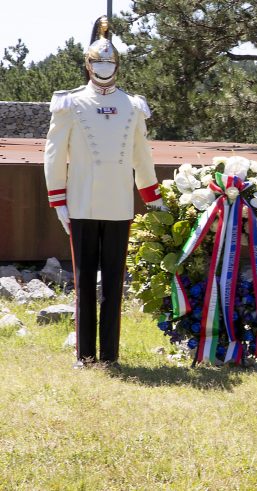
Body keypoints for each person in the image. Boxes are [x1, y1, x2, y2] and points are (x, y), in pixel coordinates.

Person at [44, 16, 163, 369]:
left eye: (110, 61)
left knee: (114, 283)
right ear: (87, 64)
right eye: (98, 61)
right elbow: (53, 155)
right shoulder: (69, 103)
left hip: (118, 205)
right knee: (83, 283)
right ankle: (84, 355)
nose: (104, 67)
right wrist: (58, 199)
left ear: (119, 65)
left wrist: (152, 198)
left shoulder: (133, 105)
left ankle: (109, 355)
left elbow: (143, 156)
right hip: (80, 203)